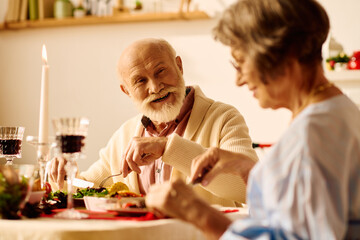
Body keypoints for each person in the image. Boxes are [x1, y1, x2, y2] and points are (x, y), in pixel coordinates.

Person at [145, 0, 360, 239]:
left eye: (241, 63)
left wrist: (198, 213)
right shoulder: (338, 111)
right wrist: (249, 170)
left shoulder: (311, 135)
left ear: (283, 53)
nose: (239, 80)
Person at [49, 38, 258, 206]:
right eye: (140, 80)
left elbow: (249, 189)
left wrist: (168, 148)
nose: (156, 87)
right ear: (127, 91)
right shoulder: (125, 134)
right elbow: (88, 188)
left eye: (160, 71)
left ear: (179, 66)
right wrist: (67, 177)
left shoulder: (224, 119)